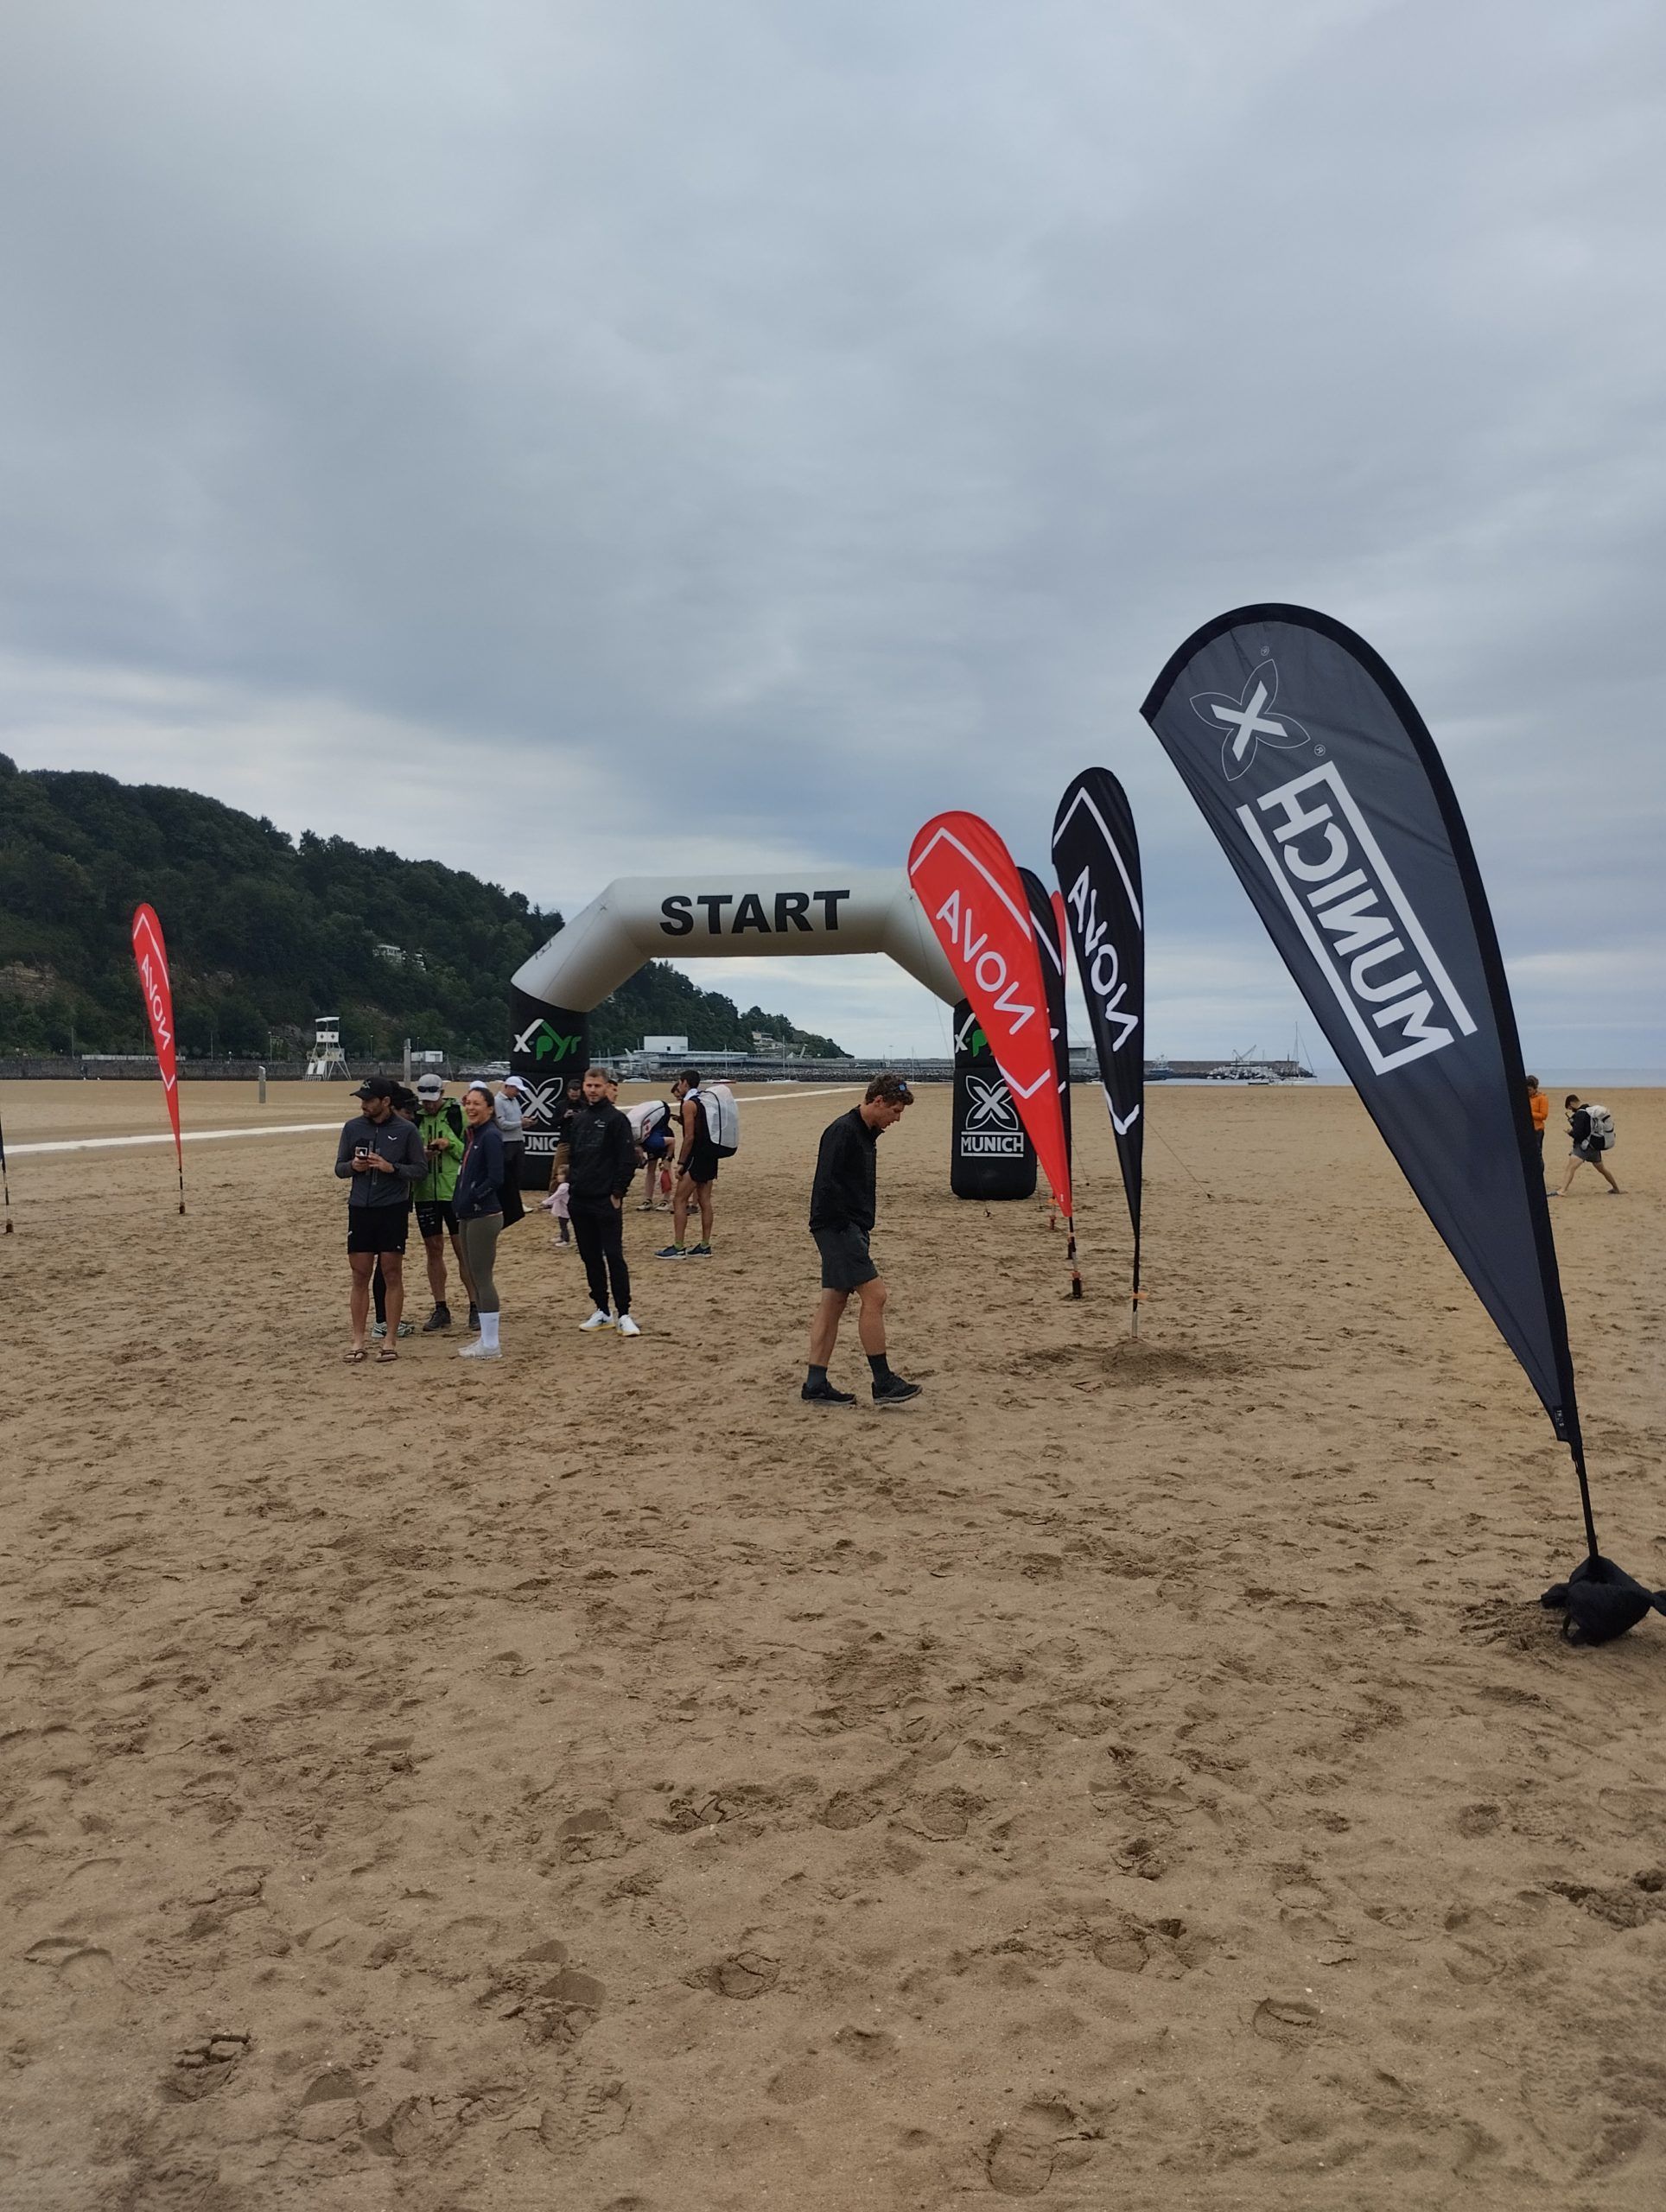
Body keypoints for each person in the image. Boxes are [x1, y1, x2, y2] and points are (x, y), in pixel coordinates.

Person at [804, 1073, 920, 1407]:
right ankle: (883, 1381)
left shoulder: (867, 1132)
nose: (896, 1119)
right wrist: (847, 1230)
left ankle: (815, 1383)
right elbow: (826, 1184)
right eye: (895, 1111)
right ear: (878, 1101)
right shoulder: (843, 1130)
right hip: (837, 1227)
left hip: (848, 1228)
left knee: (833, 1301)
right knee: (876, 1295)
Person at [334, 1076, 427, 1363]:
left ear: (385, 1102)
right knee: (359, 1274)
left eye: (369, 1100)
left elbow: (420, 1170)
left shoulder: (407, 1130)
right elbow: (339, 1168)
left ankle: (390, 1340)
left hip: (392, 1209)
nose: (363, 1105)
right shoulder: (352, 1128)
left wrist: (391, 1168)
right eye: (361, 1100)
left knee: (391, 1273)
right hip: (360, 1208)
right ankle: (358, 1341)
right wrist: (354, 1166)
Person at [568, 1065, 641, 1335]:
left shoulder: (616, 1120)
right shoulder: (579, 1120)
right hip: (580, 1199)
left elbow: (627, 1159)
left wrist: (618, 1192)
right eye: (588, 1085)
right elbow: (574, 1156)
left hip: (605, 1200)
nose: (592, 1090)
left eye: (597, 1086)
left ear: (607, 1087)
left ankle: (624, 1313)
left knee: (614, 1256)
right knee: (590, 1258)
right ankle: (602, 1310)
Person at [413, 1073, 473, 1331]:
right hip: (425, 1192)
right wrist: (422, 1156)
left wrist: (449, 1144)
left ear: (442, 1093)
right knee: (433, 1249)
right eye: (424, 1100)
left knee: (463, 1250)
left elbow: (470, 1152)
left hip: (454, 1192)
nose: (428, 1105)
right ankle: (441, 1307)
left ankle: (475, 1305)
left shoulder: (458, 1114)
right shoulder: (415, 1117)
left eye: (432, 1100)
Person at [454, 1083, 509, 1358]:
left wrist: (475, 1197)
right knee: (474, 1276)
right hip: (468, 1214)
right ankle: (486, 1339)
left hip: (484, 1215)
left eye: (477, 1103)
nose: (471, 1108)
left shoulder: (490, 1136)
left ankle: (491, 1343)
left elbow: (496, 1177)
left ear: (489, 1108)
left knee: (483, 1278)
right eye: (468, 1103)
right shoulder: (473, 1134)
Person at [371, 1084, 422, 1339]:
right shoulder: (388, 1133)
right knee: (385, 1265)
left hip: (396, 1203)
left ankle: (384, 1319)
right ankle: (382, 1320)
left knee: (386, 1264)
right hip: (384, 1206)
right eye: (407, 1112)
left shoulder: (403, 1132)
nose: (411, 1117)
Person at [656, 1069, 719, 1261]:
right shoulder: (704, 1101)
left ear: (684, 1083)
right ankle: (705, 1245)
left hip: (696, 1157)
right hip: (711, 1154)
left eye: (679, 1082)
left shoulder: (689, 1104)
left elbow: (690, 1137)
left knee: (679, 1201)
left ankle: (678, 1247)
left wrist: (681, 1162)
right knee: (705, 1201)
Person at [1553, 1095, 1621, 1198]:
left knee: (1571, 1167)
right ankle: (1616, 1188)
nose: (1571, 1111)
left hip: (1584, 1147)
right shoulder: (1589, 1110)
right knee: (1602, 1169)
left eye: (1570, 1108)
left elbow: (1579, 1134)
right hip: (1595, 1145)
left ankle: (1563, 1190)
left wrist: (1570, 1132)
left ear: (1571, 1103)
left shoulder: (1580, 1114)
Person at [495, 1076, 529, 1186]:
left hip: (518, 1140)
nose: (518, 1093)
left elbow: (517, 1119)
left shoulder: (515, 1101)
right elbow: (501, 1124)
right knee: (508, 1174)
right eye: (516, 1090)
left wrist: (525, 1122)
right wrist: (520, 1123)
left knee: (518, 1174)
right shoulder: (498, 1101)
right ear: (508, 1087)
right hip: (507, 1143)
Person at [1525, 1076, 1550, 1182]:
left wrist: (1529, 1113)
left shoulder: (1542, 1098)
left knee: (1537, 1154)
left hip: (1537, 1130)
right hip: (1525, 1130)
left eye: (1529, 1090)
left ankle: (1539, 1177)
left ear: (1535, 1088)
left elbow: (1543, 1115)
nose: (1528, 1092)